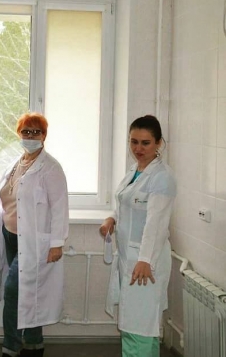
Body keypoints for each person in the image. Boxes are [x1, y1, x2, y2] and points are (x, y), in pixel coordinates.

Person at [0, 112, 69, 357]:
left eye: (36, 132)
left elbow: (60, 207)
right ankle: (34, 343)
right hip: (10, 236)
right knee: (30, 292)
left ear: (44, 136)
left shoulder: (51, 168)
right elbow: (7, 200)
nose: (30, 136)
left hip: (33, 242)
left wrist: (57, 243)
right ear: (19, 134)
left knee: (13, 291)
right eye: (26, 131)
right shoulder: (16, 165)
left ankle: (10, 347)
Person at [99, 115, 177, 357]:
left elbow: (156, 223)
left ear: (158, 143)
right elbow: (126, 203)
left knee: (139, 325)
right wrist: (112, 218)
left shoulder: (161, 177)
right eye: (134, 142)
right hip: (130, 257)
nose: (138, 149)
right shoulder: (135, 170)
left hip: (145, 262)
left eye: (145, 143)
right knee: (138, 325)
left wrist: (145, 260)